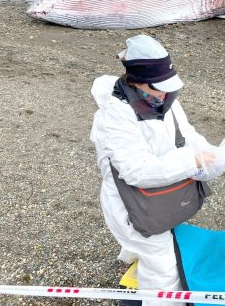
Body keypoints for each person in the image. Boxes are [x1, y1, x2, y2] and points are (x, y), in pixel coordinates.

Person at [89, 35, 216, 306]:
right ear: (136, 80)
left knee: (156, 249)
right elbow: (136, 171)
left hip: (161, 195)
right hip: (131, 204)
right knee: (164, 269)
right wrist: (191, 161)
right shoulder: (115, 115)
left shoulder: (164, 99)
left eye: (168, 87)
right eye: (158, 87)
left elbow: (187, 133)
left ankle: (137, 261)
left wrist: (211, 154)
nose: (164, 94)